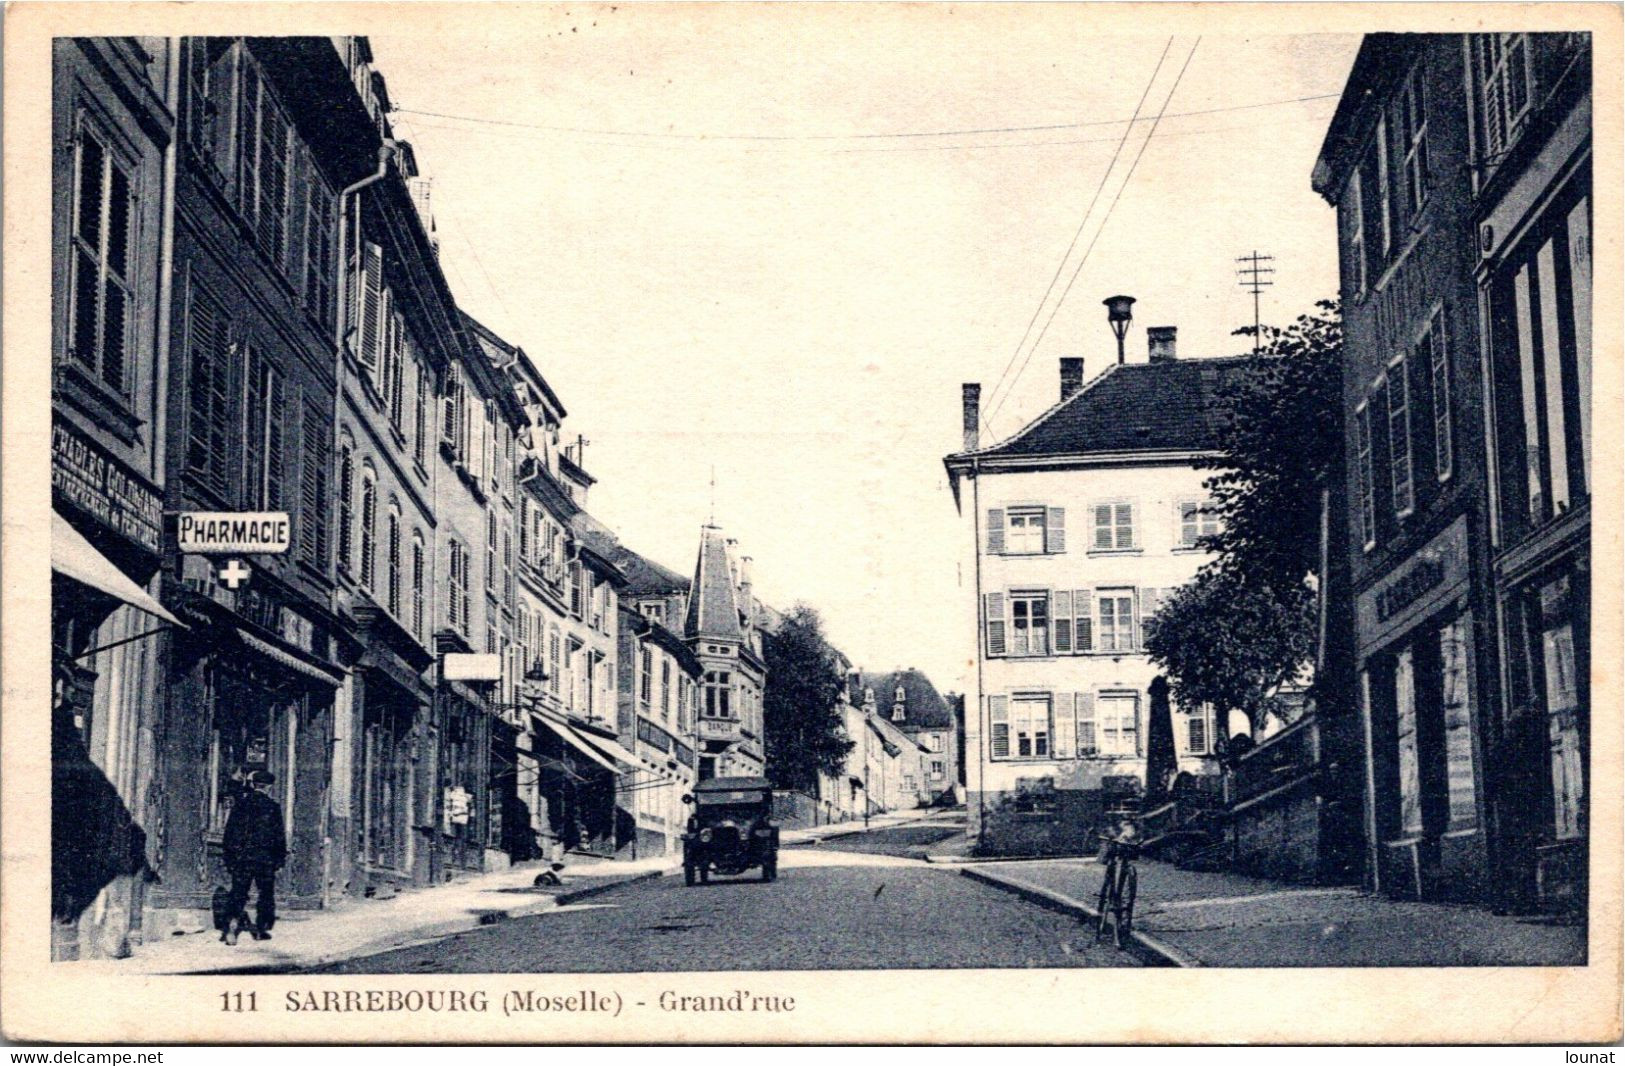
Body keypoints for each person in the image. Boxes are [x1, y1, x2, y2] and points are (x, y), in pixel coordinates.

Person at [221, 769, 286, 945]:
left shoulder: (241, 804)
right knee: (265, 894)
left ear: (254, 785)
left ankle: (231, 928)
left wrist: (230, 856)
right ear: (269, 787)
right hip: (264, 859)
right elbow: (278, 836)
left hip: (242, 858)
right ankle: (261, 929)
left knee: (238, 892)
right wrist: (279, 859)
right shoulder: (273, 807)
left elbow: (230, 833)